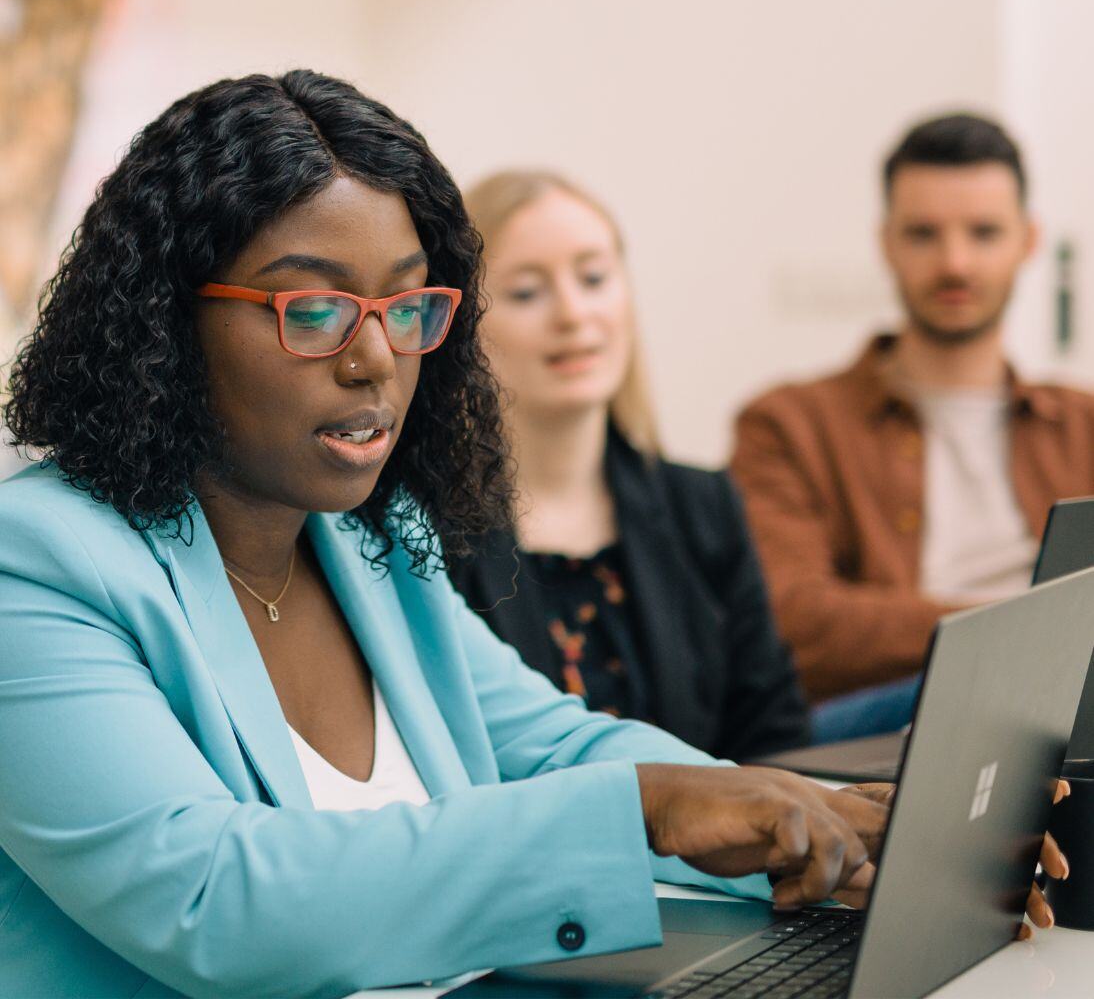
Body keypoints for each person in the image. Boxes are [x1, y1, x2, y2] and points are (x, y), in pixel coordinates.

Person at [0, 71, 896, 998]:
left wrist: (832, 831)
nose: (375, 359)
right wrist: (646, 810)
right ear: (165, 321)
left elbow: (556, 748)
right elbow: (216, 900)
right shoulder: (33, 567)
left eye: (407, 307)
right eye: (313, 311)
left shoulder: (372, 543)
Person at [731, 113, 1094, 735]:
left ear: (1028, 241)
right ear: (887, 244)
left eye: (984, 233)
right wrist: (1023, 630)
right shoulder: (789, 424)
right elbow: (792, 621)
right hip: (886, 717)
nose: (955, 262)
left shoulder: (1081, 423)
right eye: (924, 234)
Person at [451, 169, 809, 761]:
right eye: (526, 292)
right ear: (463, 323)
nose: (572, 313)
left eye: (594, 278)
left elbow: (771, 729)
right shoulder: (423, 529)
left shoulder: (703, 505)